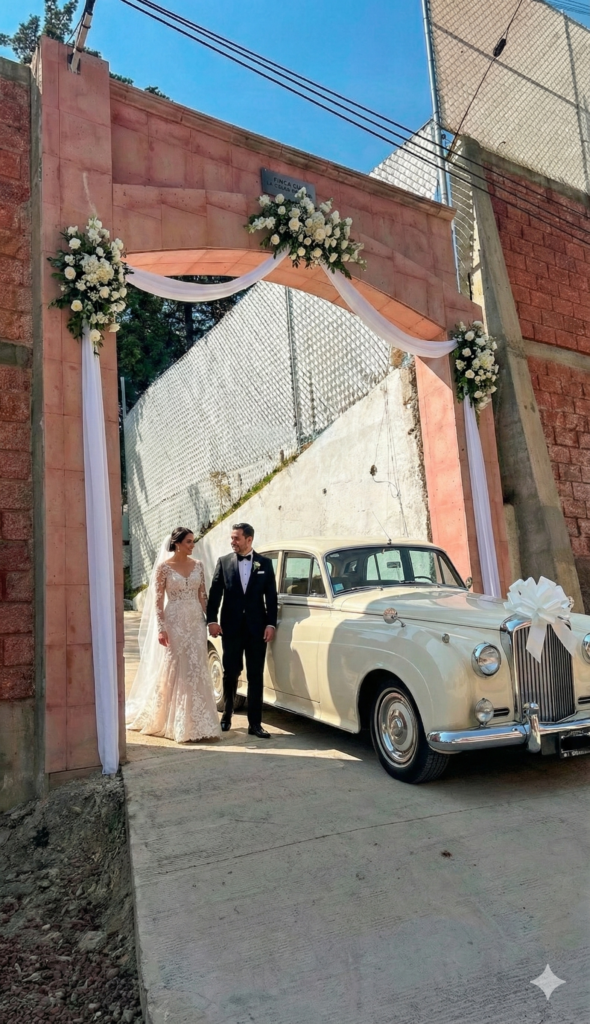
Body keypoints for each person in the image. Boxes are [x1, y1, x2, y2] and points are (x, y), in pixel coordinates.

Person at [126, 527, 221, 743]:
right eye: (188, 542)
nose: (192, 545)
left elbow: (203, 596)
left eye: (193, 541)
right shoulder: (164, 568)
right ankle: (175, 721)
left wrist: (211, 621)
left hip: (195, 622)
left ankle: (200, 722)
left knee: (197, 666)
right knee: (175, 667)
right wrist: (161, 628)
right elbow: (158, 601)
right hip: (174, 622)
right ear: (177, 544)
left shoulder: (198, 565)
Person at [207, 523, 277, 738]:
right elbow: (215, 593)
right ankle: (226, 716)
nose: (232, 542)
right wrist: (212, 620)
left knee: (256, 675)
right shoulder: (224, 562)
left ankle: (255, 724)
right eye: (231, 538)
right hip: (231, 628)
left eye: (236, 538)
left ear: (249, 539)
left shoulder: (265, 563)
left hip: (257, 629)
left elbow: (271, 597)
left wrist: (271, 624)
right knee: (230, 672)